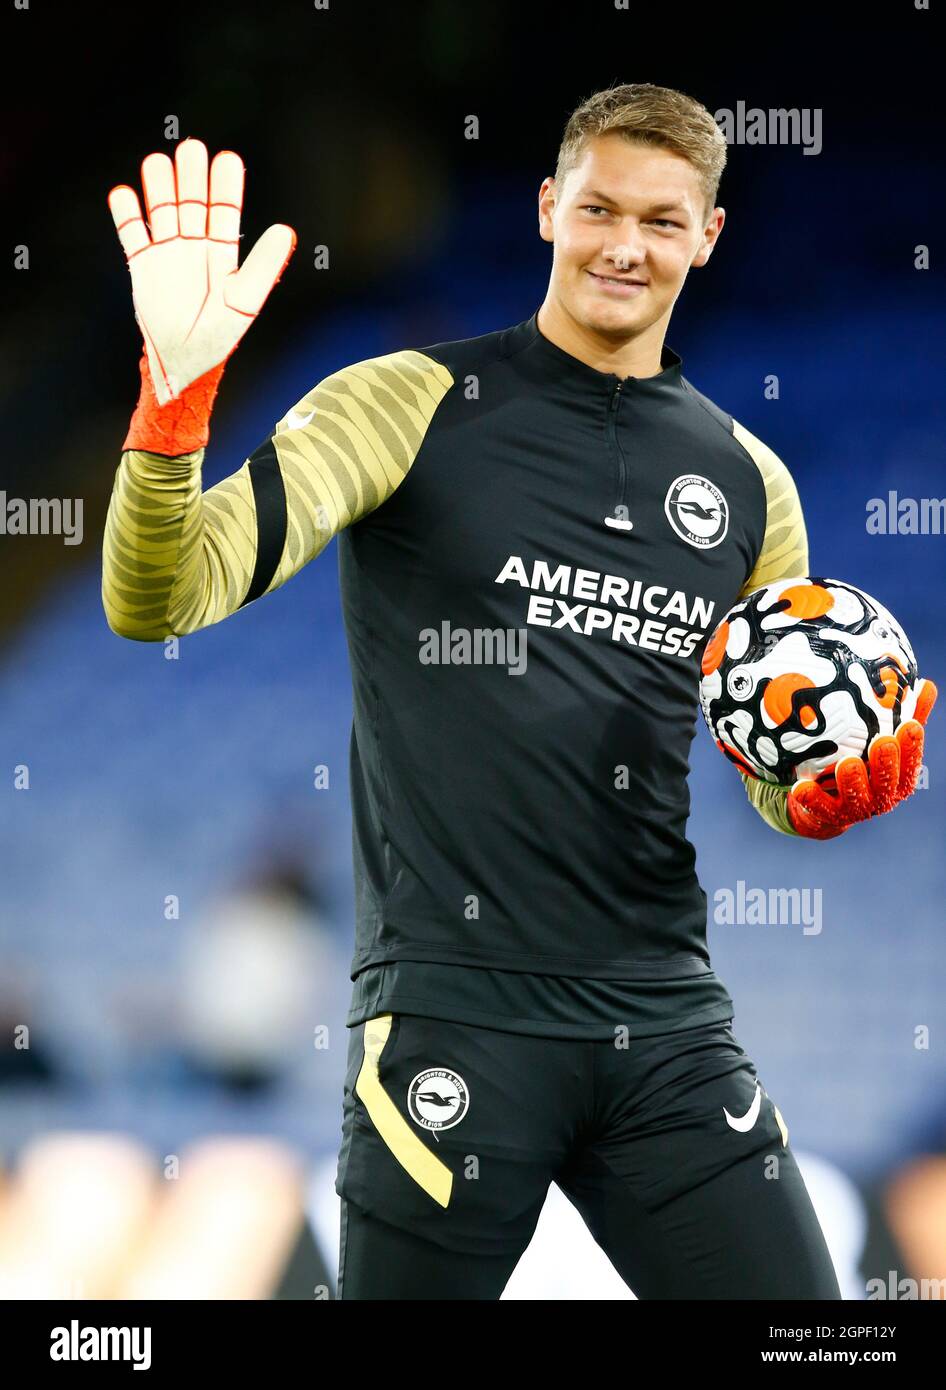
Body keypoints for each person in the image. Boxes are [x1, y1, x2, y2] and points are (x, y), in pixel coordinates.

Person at [101, 82, 935, 1299]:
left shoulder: (751, 485)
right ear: (549, 209)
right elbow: (160, 596)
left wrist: (819, 795)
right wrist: (171, 409)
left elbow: (767, 761)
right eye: (597, 207)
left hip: (665, 1026)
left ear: (707, 236)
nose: (623, 244)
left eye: (661, 219)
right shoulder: (400, 404)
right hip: (451, 1018)